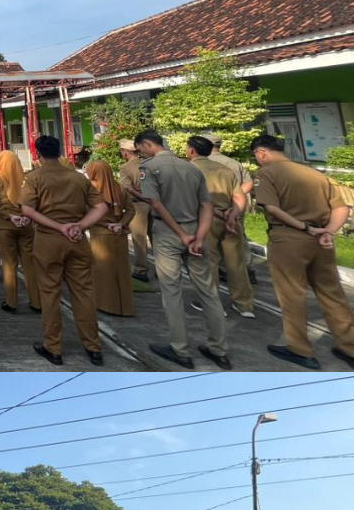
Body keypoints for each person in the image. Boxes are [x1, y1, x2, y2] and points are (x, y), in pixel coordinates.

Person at [251, 133, 354, 370]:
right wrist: (328, 231)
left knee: (292, 295)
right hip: (321, 241)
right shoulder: (315, 174)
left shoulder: (266, 173)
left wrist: (304, 227)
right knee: (333, 294)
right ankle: (349, 346)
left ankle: (300, 349)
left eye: (257, 155)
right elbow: (341, 208)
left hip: (288, 239)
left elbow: (272, 209)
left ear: (261, 153)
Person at [134, 129, 231, 371]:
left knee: (172, 293)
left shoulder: (149, 168)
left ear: (147, 144)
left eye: (140, 148)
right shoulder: (191, 168)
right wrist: (198, 237)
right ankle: (219, 350)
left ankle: (181, 350)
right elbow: (206, 205)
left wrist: (181, 234)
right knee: (208, 291)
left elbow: (155, 203)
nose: (140, 153)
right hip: (196, 232)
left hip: (169, 233)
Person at [19, 135, 108, 366]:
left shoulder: (35, 177)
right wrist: (79, 226)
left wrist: (59, 226)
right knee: (84, 293)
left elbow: (27, 210)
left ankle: (53, 347)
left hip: (49, 240)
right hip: (77, 239)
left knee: (50, 294)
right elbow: (101, 207)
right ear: (60, 152)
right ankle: (93, 346)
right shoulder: (77, 178)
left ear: (37, 153)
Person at [184, 135, 252, 318]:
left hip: (205, 220)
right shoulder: (225, 169)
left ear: (191, 150)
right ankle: (244, 305)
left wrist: (219, 213)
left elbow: (192, 199)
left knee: (209, 261)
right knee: (236, 262)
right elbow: (239, 197)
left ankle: (212, 303)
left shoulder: (190, 169)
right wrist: (231, 215)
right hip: (231, 220)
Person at [0, 148, 38, 315]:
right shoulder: (27, 179)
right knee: (29, 264)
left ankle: (11, 302)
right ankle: (36, 302)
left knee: (9, 264)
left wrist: (9, 215)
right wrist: (27, 217)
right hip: (27, 226)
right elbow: (36, 201)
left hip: (5, 226)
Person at [84, 159, 135, 317]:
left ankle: (105, 304)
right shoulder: (120, 188)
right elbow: (131, 210)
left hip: (100, 235)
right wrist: (120, 224)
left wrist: (106, 225)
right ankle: (124, 306)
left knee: (102, 272)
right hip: (119, 234)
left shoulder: (91, 190)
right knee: (121, 271)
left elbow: (87, 212)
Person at [117, 139, 151, 280]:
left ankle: (141, 270)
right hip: (155, 204)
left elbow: (127, 188)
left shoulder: (125, 168)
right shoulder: (148, 164)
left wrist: (143, 198)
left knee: (139, 240)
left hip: (138, 205)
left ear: (125, 152)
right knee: (158, 239)